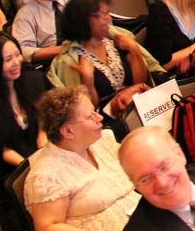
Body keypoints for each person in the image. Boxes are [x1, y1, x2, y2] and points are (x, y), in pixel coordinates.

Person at [24, 86, 141, 230]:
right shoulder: (47, 175)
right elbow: (48, 227)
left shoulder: (102, 141)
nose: (100, 118)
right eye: (90, 117)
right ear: (68, 131)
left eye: (95, 112)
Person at [48, 0, 159, 118]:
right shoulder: (69, 61)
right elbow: (84, 111)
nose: (108, 18)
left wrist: (134, 49)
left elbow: (140, 83)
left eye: (107, 13)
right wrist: (88, 80)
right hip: (103, 121)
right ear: (82, 21)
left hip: (138, 109)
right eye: (101, 15)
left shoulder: (117, 42)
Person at [0, 31, 46, 193]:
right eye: (8, 59)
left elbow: (42, 127)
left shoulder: (32, 81)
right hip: (10, 171)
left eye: (17, 54)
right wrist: (31, 167)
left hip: (41, 158)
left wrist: (44, 156)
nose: (17, 62)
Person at [11, 0, 80, 65]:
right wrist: (65, 49)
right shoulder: (26, 13)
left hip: (91, 50)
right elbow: (23, 51)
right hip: (58, 61)